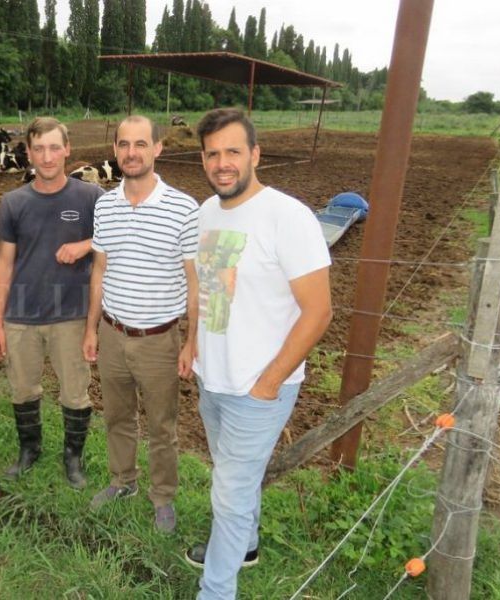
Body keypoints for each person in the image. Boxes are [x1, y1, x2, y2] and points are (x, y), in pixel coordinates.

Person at [184, 108, 332, 599]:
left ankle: (216, 589)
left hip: (259, 387)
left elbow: (318, 312)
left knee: (228, 491)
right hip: (215, 377)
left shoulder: (288, 217)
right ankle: (245, 543)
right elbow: (207, 292)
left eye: (232, 151)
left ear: (254, 154)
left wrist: (268, 382)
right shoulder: (207, 212)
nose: (222, 163)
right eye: (212, 154)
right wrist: (194, 347)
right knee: (234, 478)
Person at [83, 115, 198, 534]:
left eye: (141, 144)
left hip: (158, 340)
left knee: (162, 425)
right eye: (124, 145)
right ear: (115, 150)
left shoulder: (184, 208)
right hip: (113, 334)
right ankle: (122, 481)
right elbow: (99, 271)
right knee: (117, 416)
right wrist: (92, 329)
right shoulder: (105, 205)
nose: (132, 152)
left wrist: (190, 343)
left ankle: (163, 496)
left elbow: (193, 280)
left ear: (157, 149)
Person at [0, 117, 103, 489]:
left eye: (55, 147)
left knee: (74, 391)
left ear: (68, 149)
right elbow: (4, 263)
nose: (48, 156)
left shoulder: (90, 197)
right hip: (21, 315)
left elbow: (111, 241)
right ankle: (29, 449)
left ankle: (73, 458)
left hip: (70, 314)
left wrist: (84, 245)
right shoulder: (14, 202)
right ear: (28, 152)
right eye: (39, 148)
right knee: (22, 388)